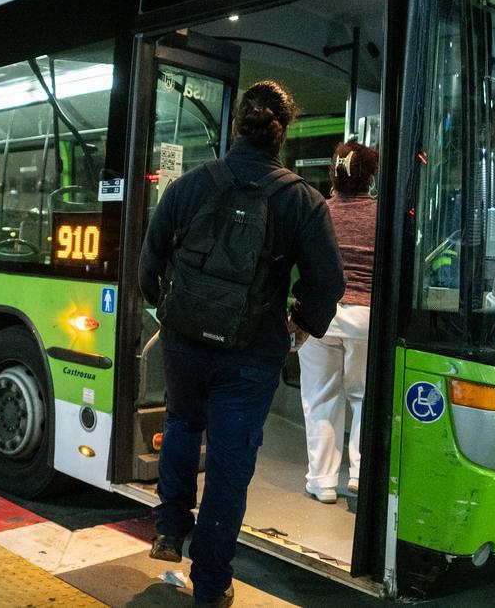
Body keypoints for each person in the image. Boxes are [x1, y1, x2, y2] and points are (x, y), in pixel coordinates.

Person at [139, 80, 345, 607]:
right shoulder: (304, 201)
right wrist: (298, 325)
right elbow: (328, 284)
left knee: (183, 425)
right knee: (230, 466)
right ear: (283, 131)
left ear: (237, 126)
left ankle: (168, 529)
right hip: (252, 352)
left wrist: (170, 308)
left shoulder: (189, 185)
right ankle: (211, 586)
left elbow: (150, 259)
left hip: (185, 344)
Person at [298, 141, 378, 504]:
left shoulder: (319, 212)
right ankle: (360, 475)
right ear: (371, 177)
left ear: (334, 175)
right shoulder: (382, 214)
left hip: (322, 316)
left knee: (321, 397)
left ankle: (322, 481)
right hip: (366, 319)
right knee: (363, 397)